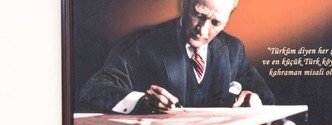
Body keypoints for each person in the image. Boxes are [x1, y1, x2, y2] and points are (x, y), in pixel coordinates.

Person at [79, 0, 274, 114]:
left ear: (227, 20)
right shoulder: (144, 43)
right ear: (184, 4)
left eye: (216, 23)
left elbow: (267, 99)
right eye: (199, 15)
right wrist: (142, 101)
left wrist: (254, 99)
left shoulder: (233, 49)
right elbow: (93, 89)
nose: (202, 30)